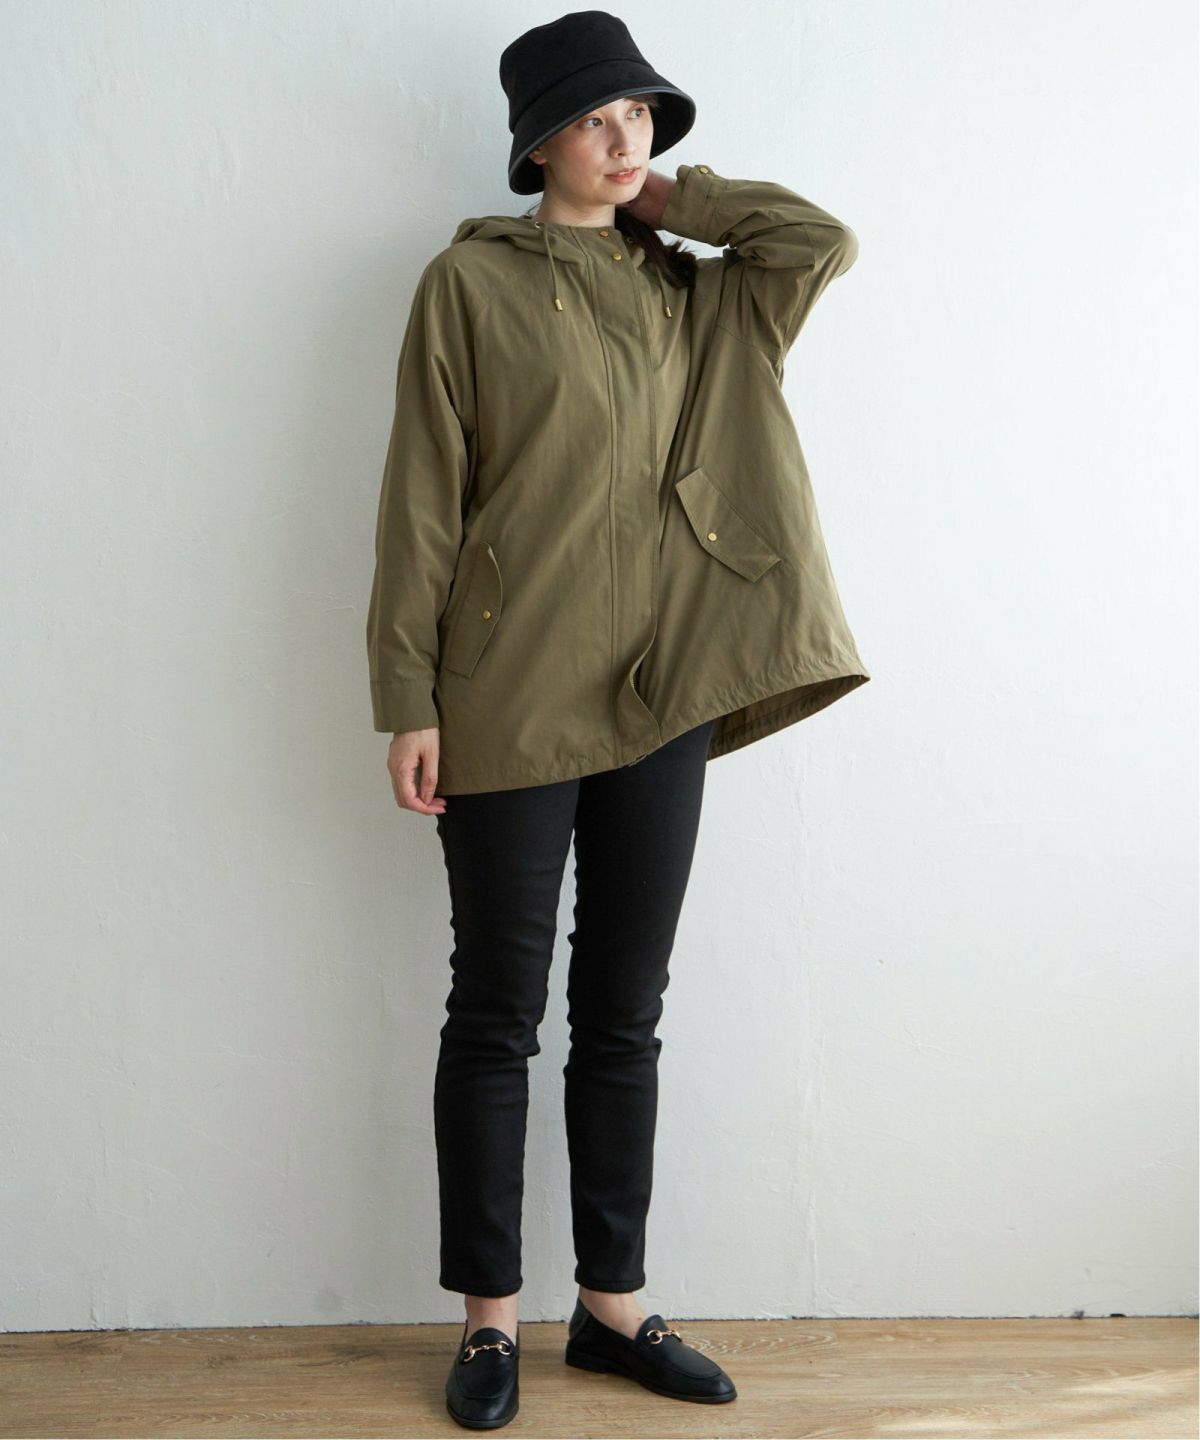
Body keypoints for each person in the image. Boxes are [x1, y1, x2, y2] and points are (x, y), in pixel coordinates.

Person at [365, 9, 870, 1429]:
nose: (624, 134)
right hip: (506, 698)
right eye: (597, 117)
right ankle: (487, 1323)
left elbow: (819, 241)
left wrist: (670, 203)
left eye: (640, 113)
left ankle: (611, 1308)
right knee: (496, 1011)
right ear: (537, 141)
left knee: (624, 1014)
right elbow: (420, 501)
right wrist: (407, 698)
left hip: (664, 697)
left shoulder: (704, 294)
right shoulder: (466, 284)